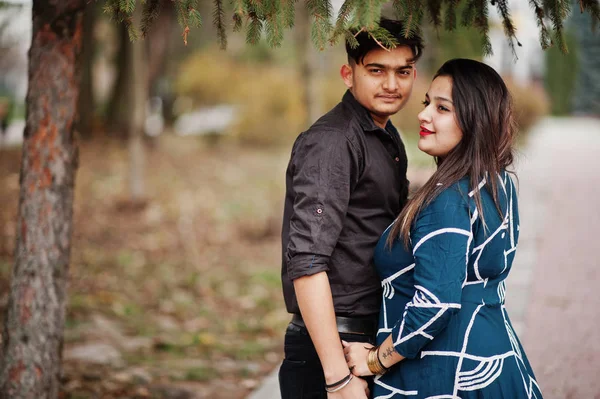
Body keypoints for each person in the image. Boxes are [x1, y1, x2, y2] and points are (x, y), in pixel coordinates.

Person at [343, 58, 543, 398]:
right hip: (496, 355)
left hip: (446, 371)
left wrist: (375, 361)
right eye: (427, 103)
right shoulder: (497, 183)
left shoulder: (448, 200)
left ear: (474, 120)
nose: (424, 115)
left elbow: (435, 304)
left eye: (442, 108)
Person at [279, 18, 424, 399]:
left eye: (402, 71)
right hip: (333, 347)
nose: (392, 84)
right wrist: (337, 378)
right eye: (376, 70)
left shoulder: (386, 135)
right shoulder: (333, 143)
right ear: (349, 73)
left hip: (368, 340)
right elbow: (307, 261)